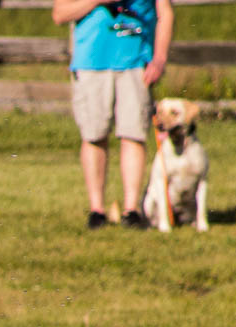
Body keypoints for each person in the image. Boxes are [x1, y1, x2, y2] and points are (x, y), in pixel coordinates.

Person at [52, 0, 174, 229]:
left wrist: (159, 58)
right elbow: (59, 14)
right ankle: (97, 210)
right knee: (94, 134)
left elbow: (164, 13)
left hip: (136, 60)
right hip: (92, 60)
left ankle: (132, 211)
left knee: (134, 134)